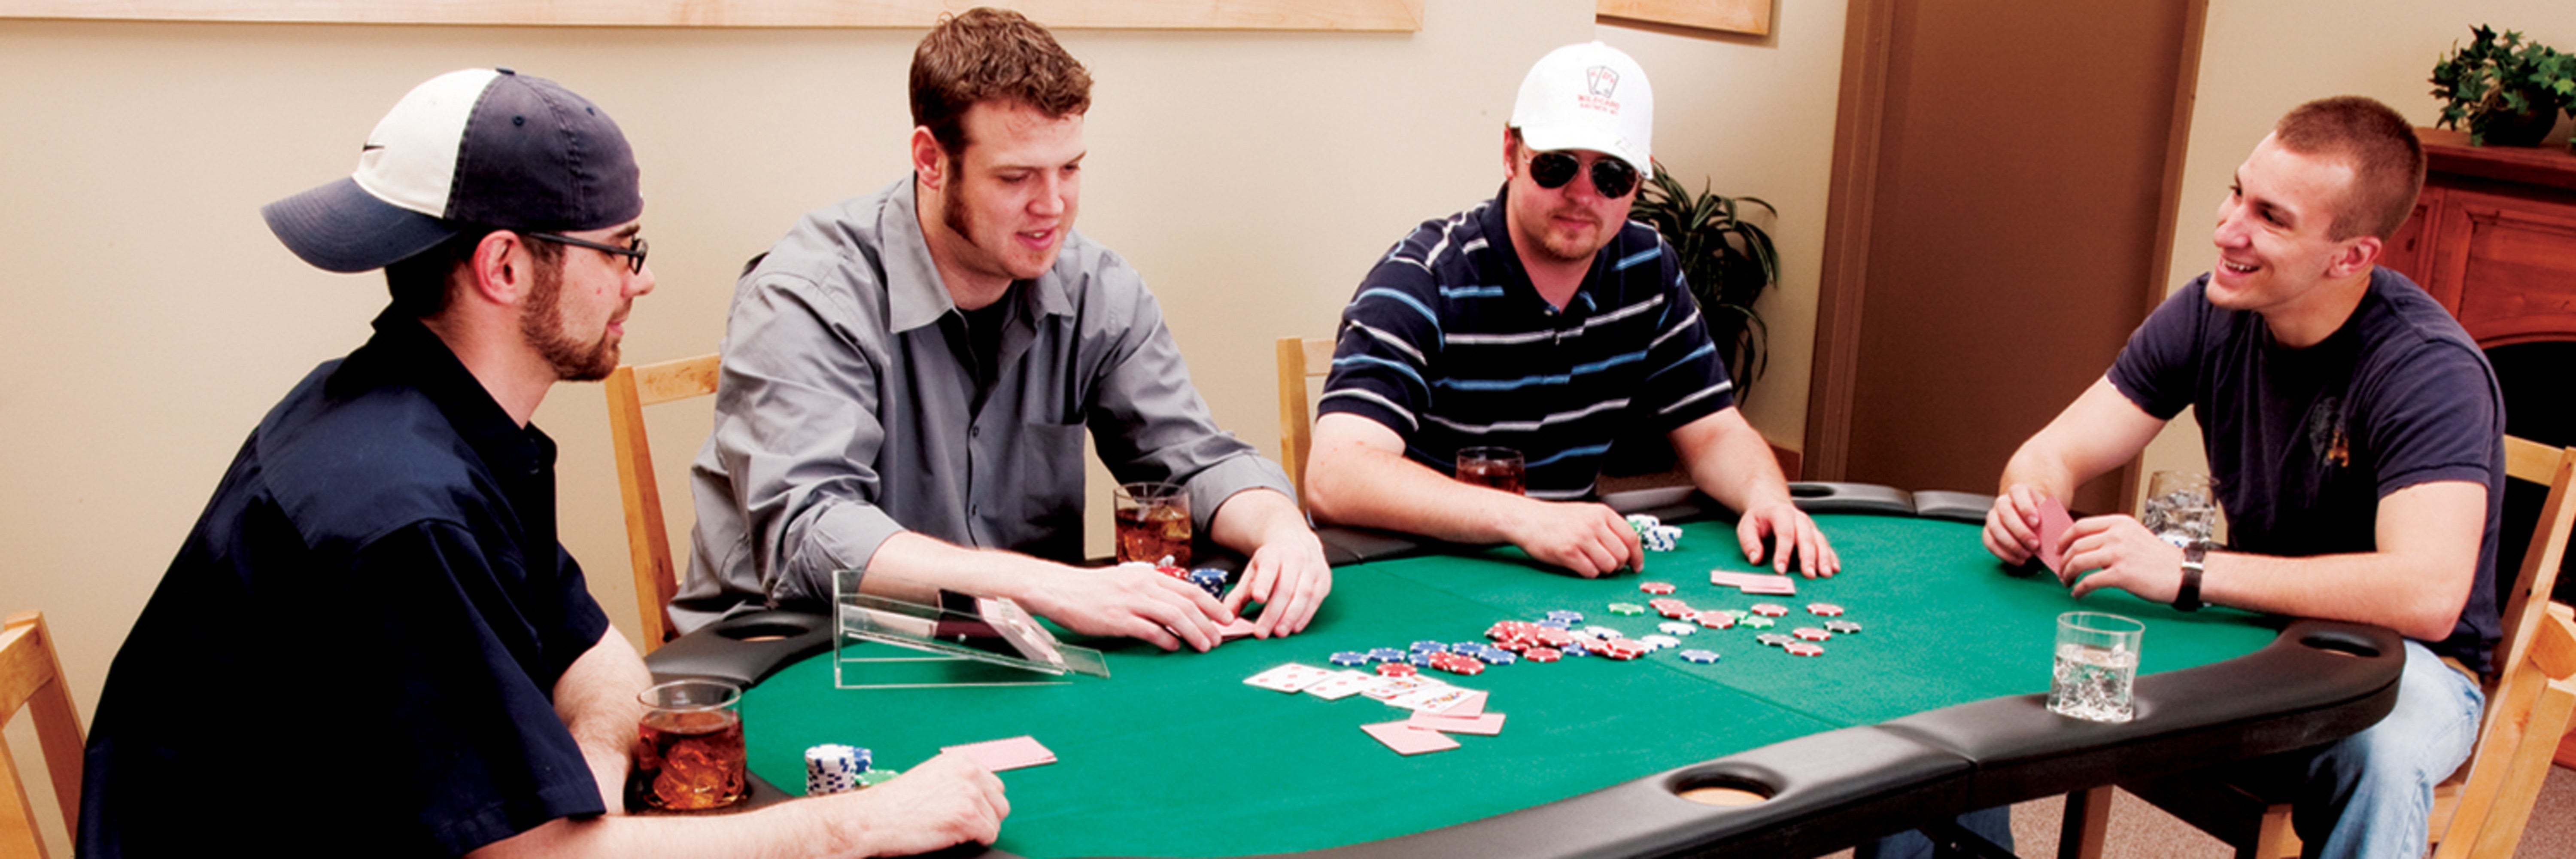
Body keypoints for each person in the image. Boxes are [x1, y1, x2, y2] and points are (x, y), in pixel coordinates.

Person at [78, 68, 1007, 858]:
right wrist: (861, 821)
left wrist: (582, 791)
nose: (639, 280)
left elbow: (602, 669)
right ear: (505, 268)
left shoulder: (442, 414)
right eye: (620, 249)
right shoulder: (400, 510)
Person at [677, 8, 1330, 649]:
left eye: (1070, 168)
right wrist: (1050, 587)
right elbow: (812, 536)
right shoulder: (806, 294)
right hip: (799, 653)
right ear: (931, 160)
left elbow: (1195, 458)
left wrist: (1282, 530)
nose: (1052, 207)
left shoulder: (1097, 288)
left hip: (1010, 648)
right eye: (1016, 177)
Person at [1985, 96, 2501, 859]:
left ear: (2352, 256)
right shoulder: (2208, 311)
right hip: (2256, 633)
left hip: (2409, 666)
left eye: (2271, 217)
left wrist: (2190, 570)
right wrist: (2032, 504)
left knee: (2377, 753)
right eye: (2236, 192)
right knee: (1989, 649)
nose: (2228, 229)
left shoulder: (2428, 369)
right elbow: (2054, 453)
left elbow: (2426, 596)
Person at [1302, 42, 1837, 580]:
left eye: (1611, 176)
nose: (1583, 194)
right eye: (1557, 166)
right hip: (1415, 570)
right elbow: (1336, 475)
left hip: (1566, 572)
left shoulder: (1648, 268)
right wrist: (1528, 520)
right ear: (1511, 153)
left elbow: (1714, 432)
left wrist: (1767, 498)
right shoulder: (1424, 278)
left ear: (1639, 180)